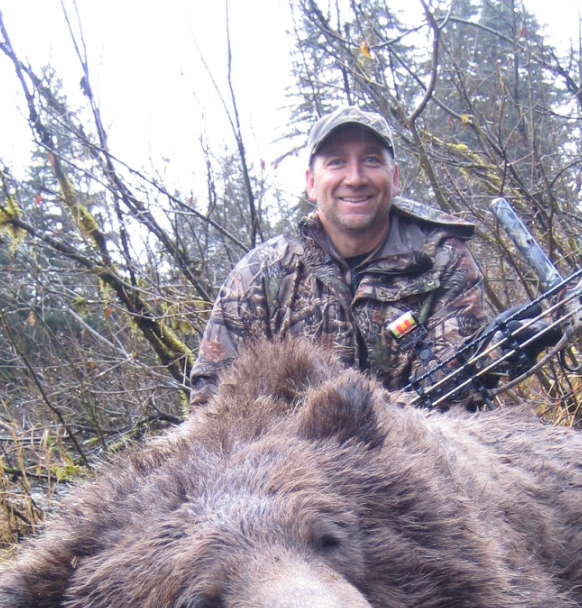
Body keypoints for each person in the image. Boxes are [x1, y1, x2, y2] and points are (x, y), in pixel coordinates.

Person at [190, 106, 493, 407]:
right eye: (337, 162)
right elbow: (212, 407)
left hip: (420, 451)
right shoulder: (259, 275)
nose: (355, 178)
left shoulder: (442, 262)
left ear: (395, 178)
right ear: (311, 182)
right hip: (289, 453)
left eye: (371, 160)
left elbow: (454, 400)